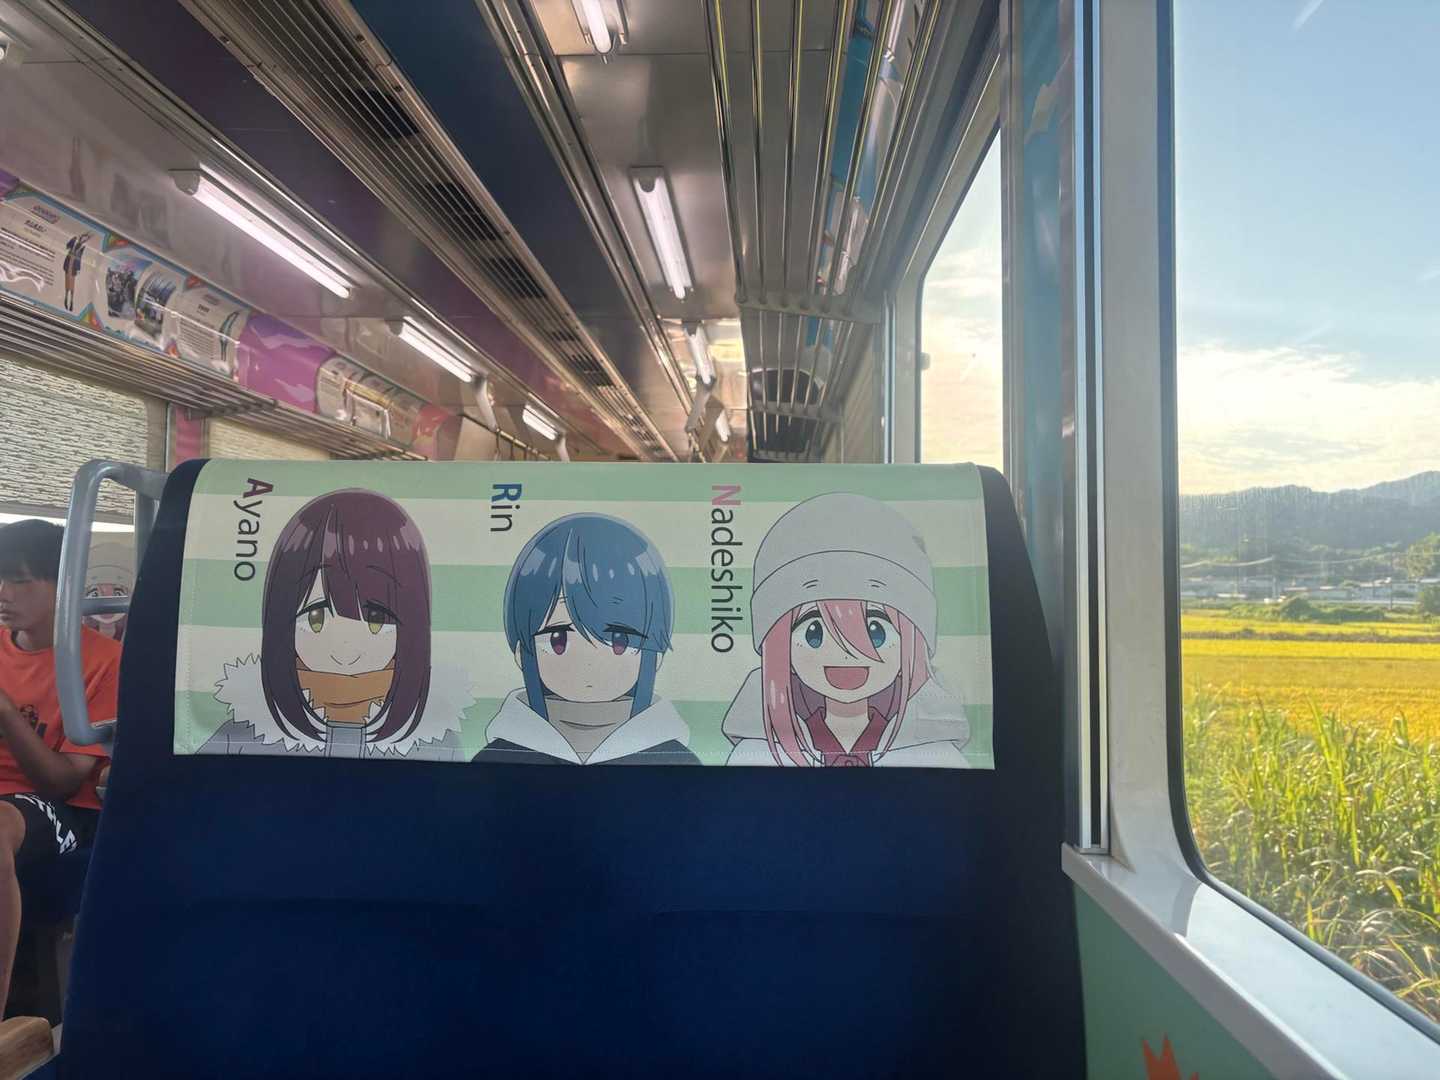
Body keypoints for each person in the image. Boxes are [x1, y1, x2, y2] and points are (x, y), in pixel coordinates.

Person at [205, 489, 466, 759]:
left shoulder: (435, 742)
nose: (345, 653)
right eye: (315, 619)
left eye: (376, 621)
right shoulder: (242, 733)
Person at [722, 493, 972, 767]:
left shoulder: (934, 749)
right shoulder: (757, 750)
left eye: (876, 632)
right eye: (814, 633)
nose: (846, 653)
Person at [0, 520, 117, 1007]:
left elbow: (61, 783)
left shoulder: (105, 661)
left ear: (62, 583)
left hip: (61, 810)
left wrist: (6, 713)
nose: (3, 592)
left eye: (19, 580)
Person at [475, 513, 697, 765]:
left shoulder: (673, 757)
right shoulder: (500, 755)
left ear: (655, 655)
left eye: (619, 641)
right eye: (558, 640)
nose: (588, 663)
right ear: (521, 652)